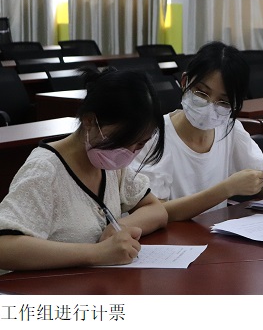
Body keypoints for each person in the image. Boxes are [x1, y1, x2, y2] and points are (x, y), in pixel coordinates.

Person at [0, 68, 167, 271]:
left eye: (140, 144)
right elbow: (4, 247)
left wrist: (121, 227)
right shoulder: (45, 170)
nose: (129, 152)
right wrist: (97, 253)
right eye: (122, 140)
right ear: (89, 121)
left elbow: (156, 209)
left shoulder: (111, 165)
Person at [132, 41, 263, 222]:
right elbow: (154, 213)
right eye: (201, 93)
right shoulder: (153, 138)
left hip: (214, 234)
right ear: (184, 82)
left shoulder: (229, 130)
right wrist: (226, 189)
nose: (210, 105)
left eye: (223, 102)